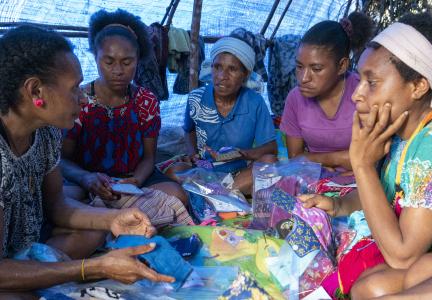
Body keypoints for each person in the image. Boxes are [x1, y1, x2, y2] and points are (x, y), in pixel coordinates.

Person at [0, 25, 174, 297]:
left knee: (97, 230)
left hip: (24, 244)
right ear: (36, 91)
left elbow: (57, 205)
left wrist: (115, 219)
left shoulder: (44, 135)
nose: (83, 99)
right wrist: (91, 268)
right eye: (73, 90)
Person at [300, 12, 432, 298]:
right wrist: (339, 205)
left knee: (378, 285)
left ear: (418, 86)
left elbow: (403, 256)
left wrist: (362, 164)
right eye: (359, 81)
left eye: (372, 82)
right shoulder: (397, 136)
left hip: (425, 258)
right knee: (368, 285)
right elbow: (387, 195)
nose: (356, 95)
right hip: (424, 259)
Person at [60, 9, 192, 226]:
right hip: (87, 181)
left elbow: (149, 157)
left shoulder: (146, 101)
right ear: (96, 57)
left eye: (127, 62)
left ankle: (104, 219)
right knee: (59, 201)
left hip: (135, 179)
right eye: (109, 62)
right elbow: (63, 160)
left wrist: (136, 181)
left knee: (177, 195)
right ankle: (116, 217)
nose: (118, 70)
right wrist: (87, 178)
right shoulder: (80, 99)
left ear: (138, 60)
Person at [168, 36, 277, 195]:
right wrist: (192, 154)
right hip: (204, 170)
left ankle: (215, 193)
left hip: (239, 171)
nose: (221, 76)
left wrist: (243, 154)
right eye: (217, 67)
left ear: (245, 74)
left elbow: (271, 148)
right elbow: (189, 130)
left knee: (270, 163)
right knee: (174, 172)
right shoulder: (196, 99)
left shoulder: (255, 103)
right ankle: (224, 193)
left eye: (232, 69)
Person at [280, 12, 373, 172]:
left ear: (342, 66)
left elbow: (371, 158)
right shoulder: (295, 98)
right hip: (314, 179)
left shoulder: (363, 93)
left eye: (316, 69)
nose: (303, 78)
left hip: (362, 182)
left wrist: (313, 159)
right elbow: (295, 159)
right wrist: (339, 158)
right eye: (299, 67)